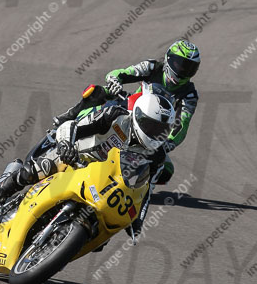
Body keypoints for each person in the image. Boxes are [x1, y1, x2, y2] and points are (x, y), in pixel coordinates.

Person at [0, 89, 175, 234]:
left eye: (161, 130)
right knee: (39, 169)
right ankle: (5, 187)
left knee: (102, 234)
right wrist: (65, 146)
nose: (154, 133)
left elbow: (147, 191)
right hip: (76, 157)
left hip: (104, 183)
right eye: (151, 126)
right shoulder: (115, 116)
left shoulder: (156, 155)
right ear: (138, 116)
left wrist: (138, 221)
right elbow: (73, 126)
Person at [63, 39, 201, 184]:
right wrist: (114, 82)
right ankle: (67, 120)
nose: (182, 71)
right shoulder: (152, 67)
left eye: (189, 68)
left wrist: (166, 143)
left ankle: (132, 190)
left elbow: (181, 126)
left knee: (166, 171)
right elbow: (120, 73)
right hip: (127, 109)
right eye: (179, 64)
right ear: (168, 59)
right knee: (98, 92)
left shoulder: (189, 95)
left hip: (151, 131)